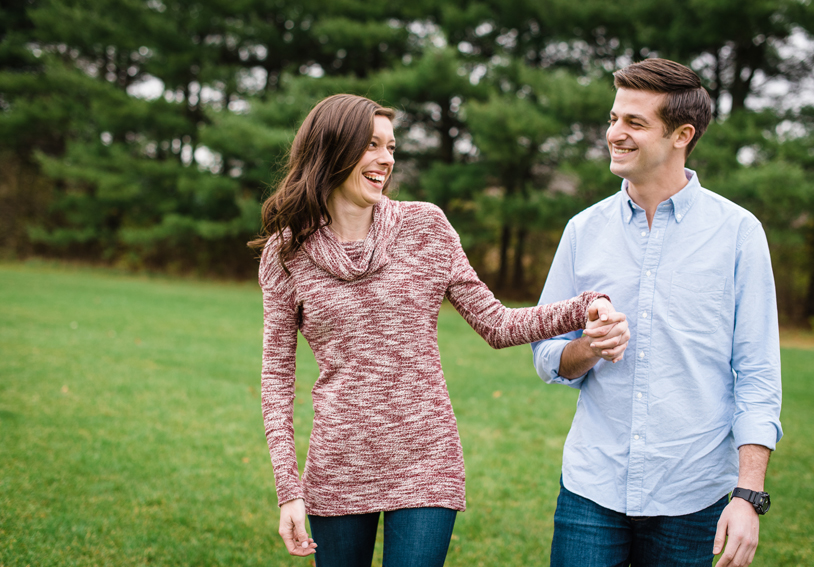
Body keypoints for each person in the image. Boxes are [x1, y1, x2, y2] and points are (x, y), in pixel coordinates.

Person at [249, 93, 629, 567]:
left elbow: (497, 324)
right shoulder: (287, 254)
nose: (386, 160)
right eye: (371, 145)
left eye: (391, 147)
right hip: (339, 463)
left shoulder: (426, 227)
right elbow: (276, 379)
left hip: (426, 458)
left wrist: (585, 306)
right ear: (333, 150)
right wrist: (289, 491)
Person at [531, 58, 783, 567]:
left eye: (634, 123)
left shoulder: (738, 233)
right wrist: (588, 349)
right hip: (591, 488)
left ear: (681, 135)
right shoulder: (583, 231)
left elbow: (757, 373)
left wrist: (747, 494)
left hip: (693, 492)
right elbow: (546, 355)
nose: (614, 134)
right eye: (613, 118)